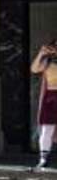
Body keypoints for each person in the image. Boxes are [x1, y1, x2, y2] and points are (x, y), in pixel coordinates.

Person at [30, 39, 56, 169]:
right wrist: (41, 53)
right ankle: (43, 158)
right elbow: (34, 69)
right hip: (50, 97)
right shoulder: (47, 61)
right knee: (47, 129)